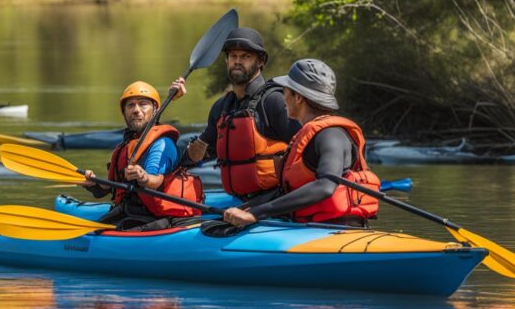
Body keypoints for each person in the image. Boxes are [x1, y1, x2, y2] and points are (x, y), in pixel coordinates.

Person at [222, 59, 381, 228]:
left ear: (298, 97)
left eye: (285, 92)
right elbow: (285, 192)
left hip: (339, 230)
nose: (283, 98)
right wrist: (246, 208)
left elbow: (325, 186)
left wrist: (256, 214)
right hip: (312, 227)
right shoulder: (308, 134)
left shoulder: (331, 135)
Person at [170, 27, 301, 201]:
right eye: (233, 56)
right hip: (238, 200)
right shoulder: (222, 107)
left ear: (260, 61)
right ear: (227, 60)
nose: (238, 61)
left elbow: (304, 147)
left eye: (245, 56)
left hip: (275, 201)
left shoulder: (273, 101)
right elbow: (200, 153)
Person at [83, 81, 204, 231]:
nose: (136, 110)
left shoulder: (162, 144)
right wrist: (93, 183)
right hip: (131, 212)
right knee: (95, 228)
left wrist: (143, 177)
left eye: (143, 104)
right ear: (124, 112)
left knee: (98, 233)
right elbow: (111, 186)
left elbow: (156, 181)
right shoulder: (126, 144)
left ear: (155, 110)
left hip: (158, 218)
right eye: (130, 105)